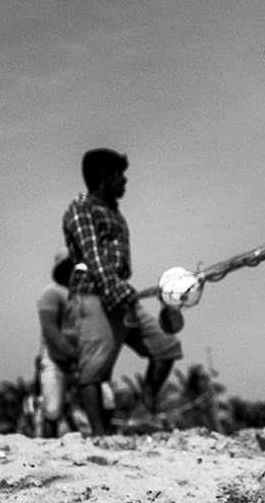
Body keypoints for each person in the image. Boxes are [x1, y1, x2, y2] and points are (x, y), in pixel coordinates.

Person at [61, 149, 183, 436]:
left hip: (118, 292)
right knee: (94, 368)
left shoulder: (114, 212)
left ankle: (143, 414)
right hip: (92, 293)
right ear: (105, 177)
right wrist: (118, 292)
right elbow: (93, 257)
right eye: (120, 175)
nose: (124, 181)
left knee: (165, 348)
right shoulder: (81, 209)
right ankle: (99, 436)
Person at [34, 252, 78, 437]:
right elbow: (50, 332)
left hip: (79, 358)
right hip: (56, 359)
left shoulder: (81, 294)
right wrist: (72, 355)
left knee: (106, 399)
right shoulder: (52, 293)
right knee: (52, 409)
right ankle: (47, 445)